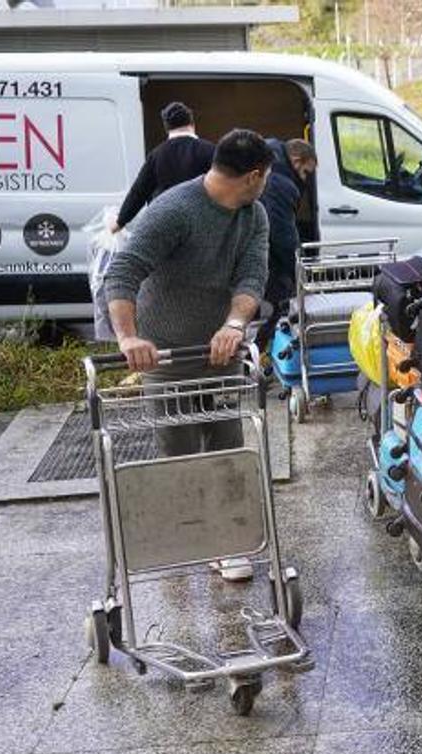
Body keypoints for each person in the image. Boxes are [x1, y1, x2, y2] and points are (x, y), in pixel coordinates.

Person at [104, 128, 273, 582]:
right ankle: (182, 538)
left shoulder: (253, 215)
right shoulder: (174, 211)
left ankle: (226, 544)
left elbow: (252, 277)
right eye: (267, 177)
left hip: (219, 349)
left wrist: (234, 325)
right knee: (177, 448)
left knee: (226, 440)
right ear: (255, 175)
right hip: (166, 353)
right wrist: (128, 338)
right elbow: (121, 273)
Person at [111, 101, 216, 233]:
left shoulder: (156, 155)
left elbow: (139, 192)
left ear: (166, 128)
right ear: (192, 124)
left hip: (164, 226)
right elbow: (226, 184)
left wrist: (120, 222)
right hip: (200, 225)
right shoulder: (210, 151)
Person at [259, 138, 318, 348]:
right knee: (279, 303)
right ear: (295, 160)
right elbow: (282, 235)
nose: (305, 180)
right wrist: (298, 271)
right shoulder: (281, 185)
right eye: (305, 173)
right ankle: (263, 353)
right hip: (265, 257)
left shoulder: (268, 161)